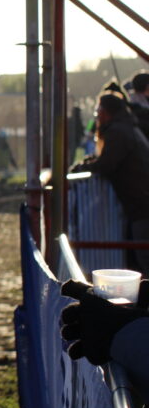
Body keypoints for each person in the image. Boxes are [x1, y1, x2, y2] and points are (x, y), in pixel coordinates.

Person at [73, 93, 149, 273]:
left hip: (142, 204)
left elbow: (108, 163)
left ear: (106, 111)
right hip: (141, 202)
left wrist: (85, 167)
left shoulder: (118, 131)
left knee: (144, 256)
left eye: (98, 109)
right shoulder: (127, 127)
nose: (97, 114)